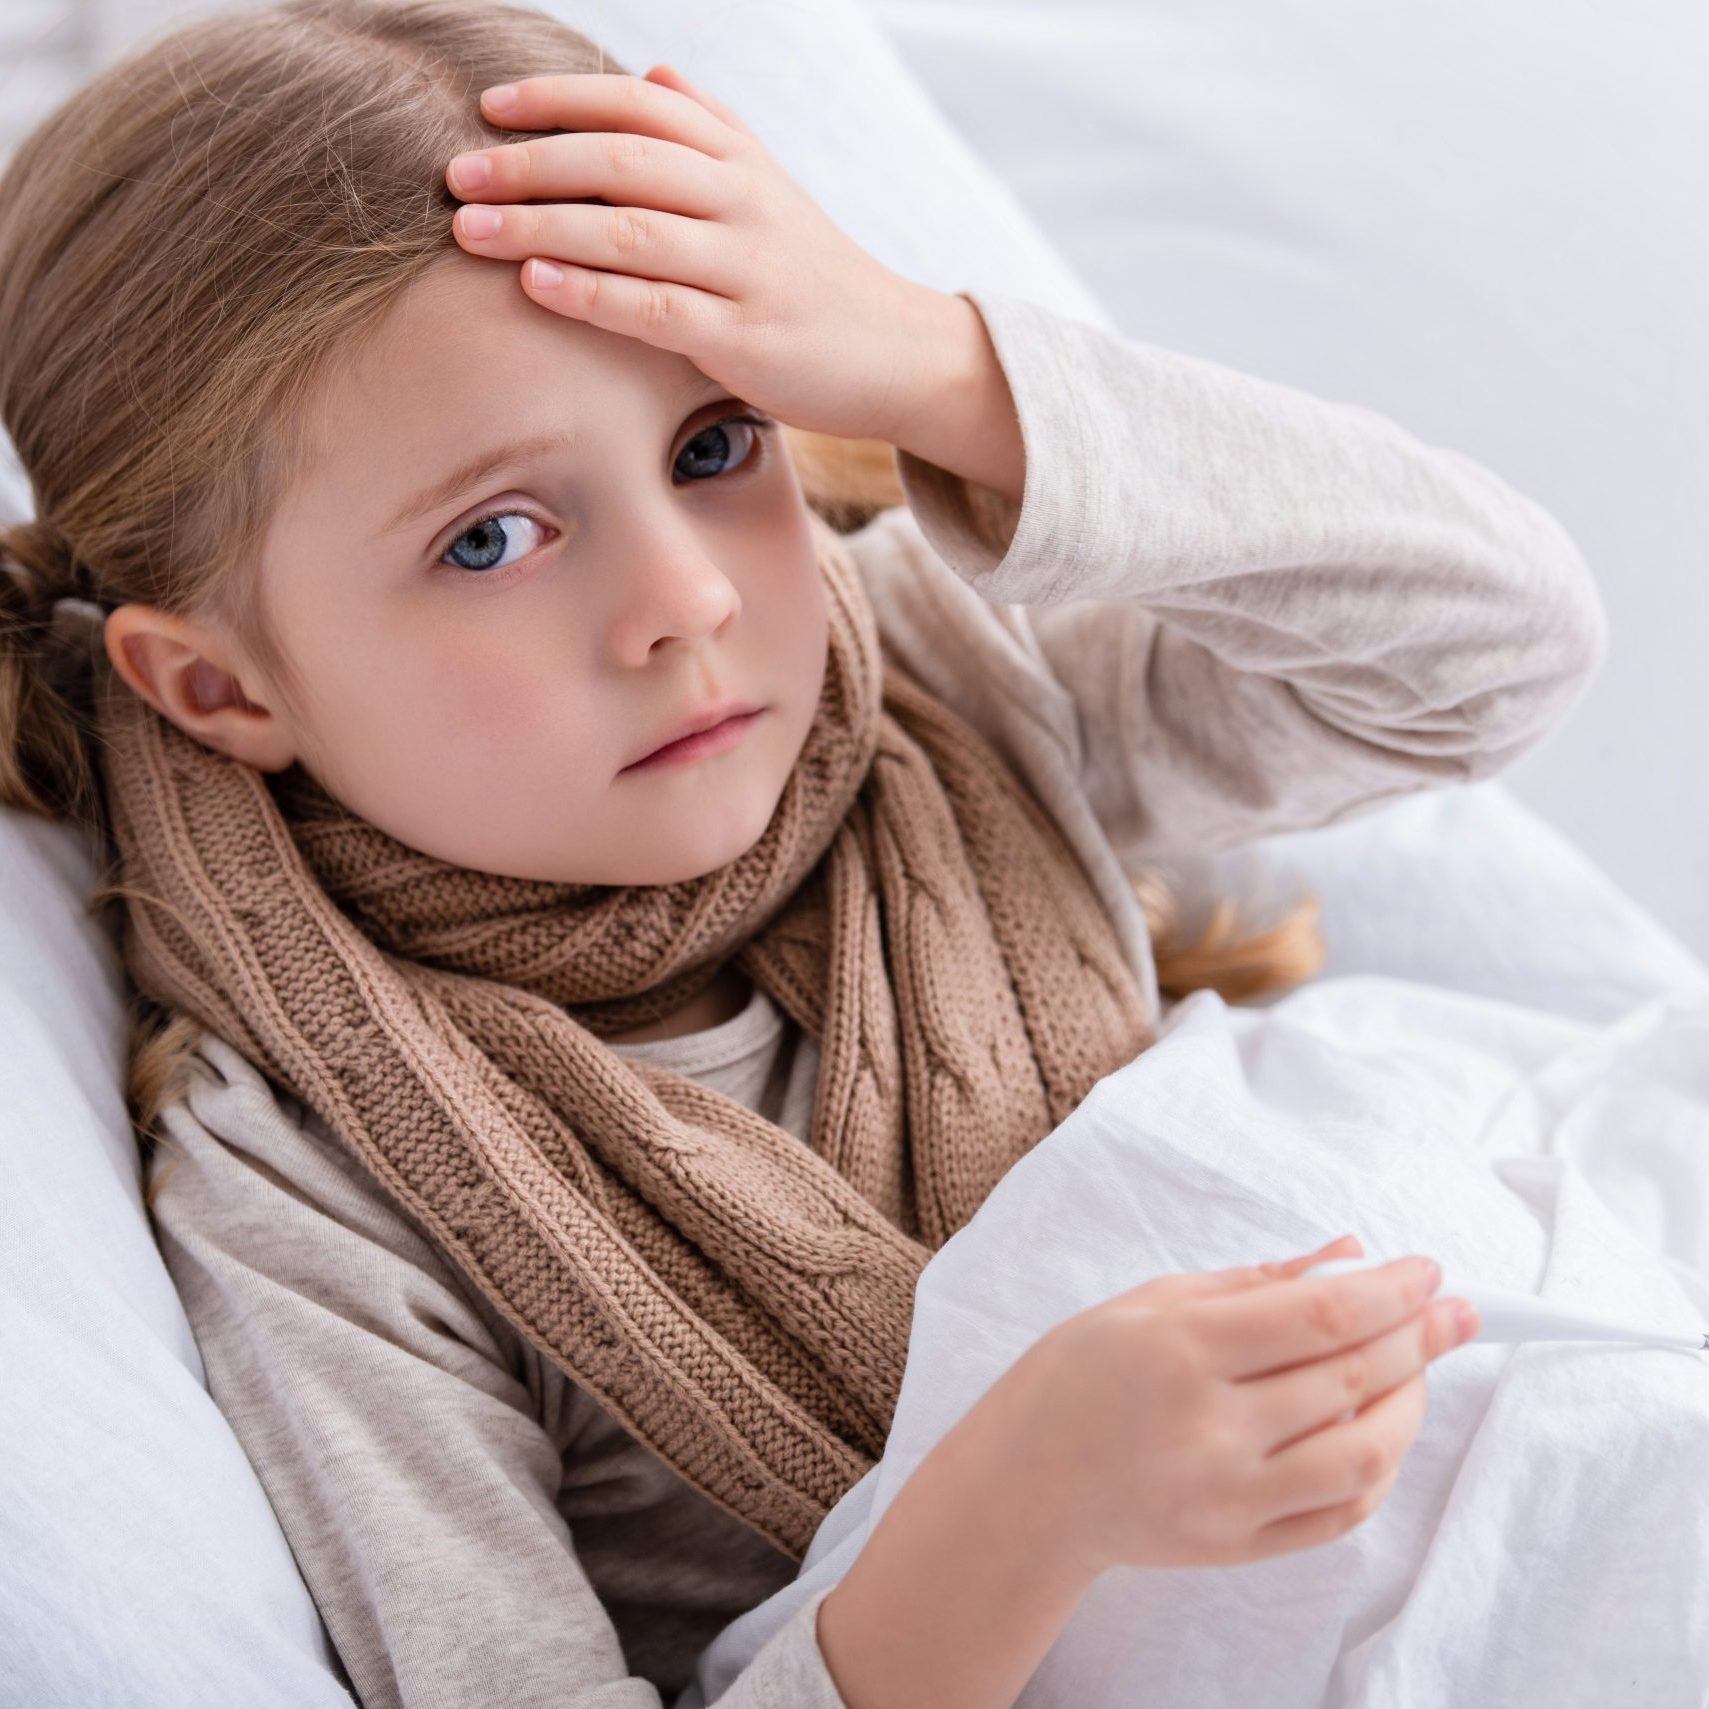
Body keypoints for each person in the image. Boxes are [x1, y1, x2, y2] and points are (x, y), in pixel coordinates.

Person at [0, 1, 1601, 1703]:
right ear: (221, 684)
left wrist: (939, 361)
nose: (684, 598)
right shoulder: (311, 1189)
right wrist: (1025, 1493)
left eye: (711, 446)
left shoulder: (943, 673)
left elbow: (1496, 646)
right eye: (491, 537)